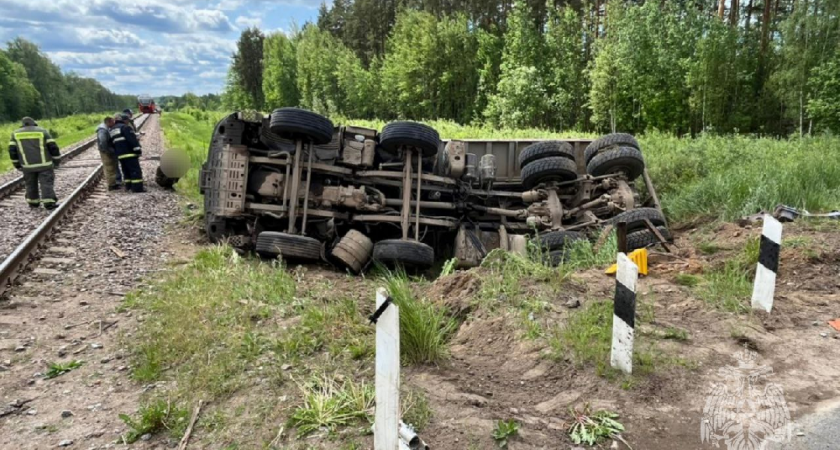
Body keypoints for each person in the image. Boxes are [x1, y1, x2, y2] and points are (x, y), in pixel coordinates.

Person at [8, 117, 61, 209]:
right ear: (34, 123)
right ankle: (49, 203)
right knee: (46, 183)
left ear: (23, 124)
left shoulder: (15, 134)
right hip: (45, 165)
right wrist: (56, 161)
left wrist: (17, 164)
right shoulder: (42, 131)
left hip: (27, 166)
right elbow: (53, 147)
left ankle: (33, 202)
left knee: (30, 184)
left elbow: (12, 151)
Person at [109, 113, 145, 193]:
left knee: (126, 171)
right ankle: (137, 189)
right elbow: (132, 140)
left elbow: (112, 143)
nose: (128, 122)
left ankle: (128, 186)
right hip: (130, 154)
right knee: (135, 170)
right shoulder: (125, 128)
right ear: (124, 120)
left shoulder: (112, 130)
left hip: (121, 155)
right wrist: (138, 150)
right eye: (127, 121)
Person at [96, 116, 123, 190]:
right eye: (112, 122)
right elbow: (103, 141)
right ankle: (112, 185)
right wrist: (107, 150)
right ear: (108, 122)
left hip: (108, 150)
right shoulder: (103, 130)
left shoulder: (105, 128)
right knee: (109, 168)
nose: (114, 123)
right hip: (105, 151)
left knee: (112, 167)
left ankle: (113, 183)